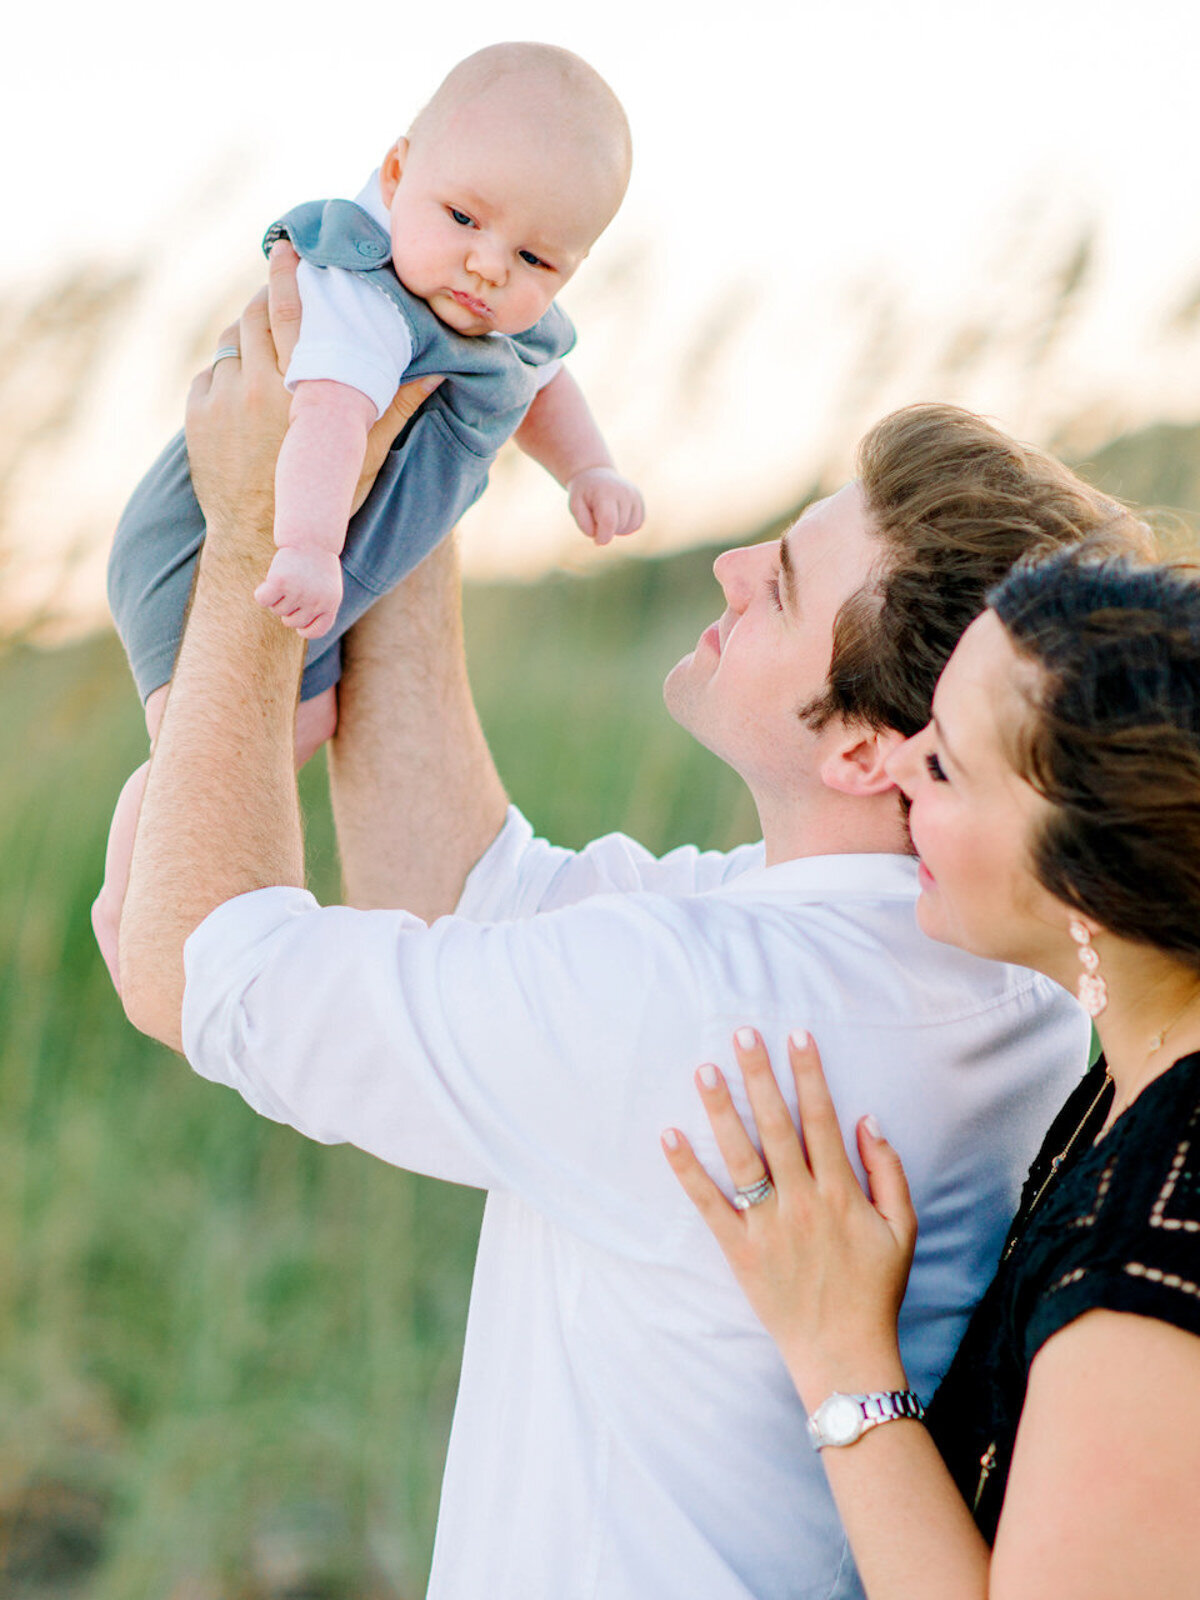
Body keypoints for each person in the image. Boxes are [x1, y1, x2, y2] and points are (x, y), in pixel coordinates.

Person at [116, 252, 1142, 1599]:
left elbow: (201, 971)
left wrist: (259, 529)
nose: (721, 568)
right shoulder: (961, 967)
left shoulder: (712, 1009)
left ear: (870, 755)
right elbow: (468, 893)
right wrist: (429, 416)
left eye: (774, 587)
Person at [666, 542, 1200, 1598]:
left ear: (1084, 883)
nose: (899, 766)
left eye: (946, 766)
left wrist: (841, 1354)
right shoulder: (1135, 1069)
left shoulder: (1147, 1280)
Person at [93, 41, 642, 989]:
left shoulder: (508, 327)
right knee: (203, 730)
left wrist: (588, 469)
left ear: (573, 266)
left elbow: (545, 388)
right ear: (397, 174)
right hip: (214, 544)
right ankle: (130, 894)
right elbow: (328, 423)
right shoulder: (364, 297)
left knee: (300, 728)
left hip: (306, 578)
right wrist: (301, 544)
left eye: (533, 257)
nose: (483, 263)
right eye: (463, 216)